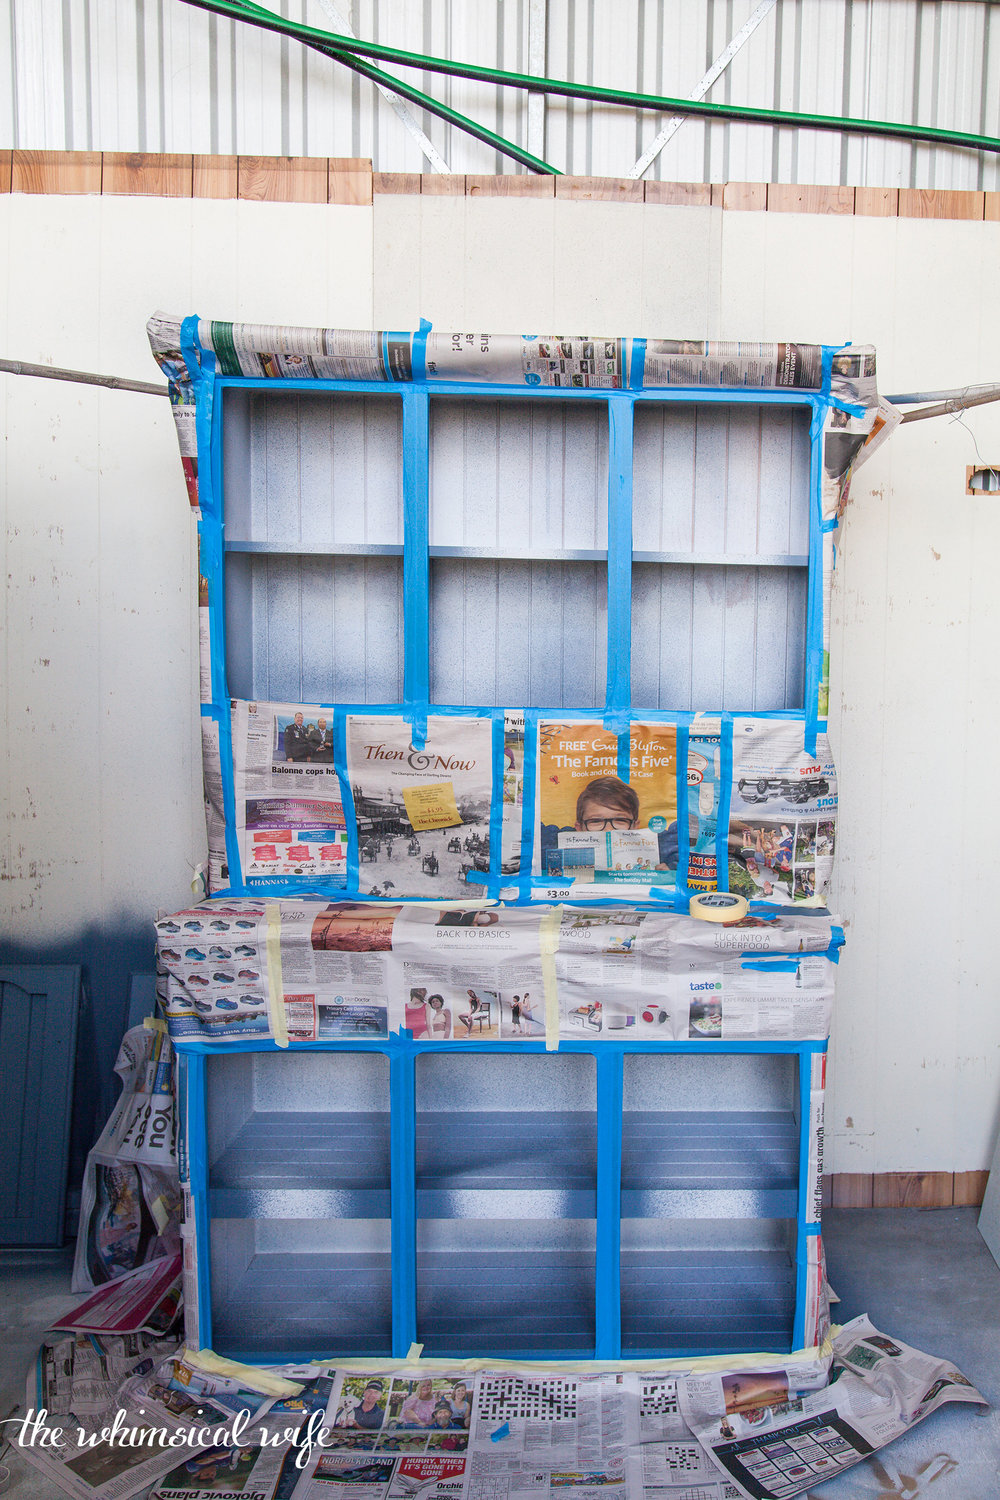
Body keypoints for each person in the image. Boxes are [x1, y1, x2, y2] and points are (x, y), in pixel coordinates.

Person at [539, 775, 679, 870]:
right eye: (595, 821)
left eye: (620, 820)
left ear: (635, 827)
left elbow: (681, 849)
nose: (608, 830)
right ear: (579, 828)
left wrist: (670, 872)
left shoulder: (657, 846)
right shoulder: (557, 842)